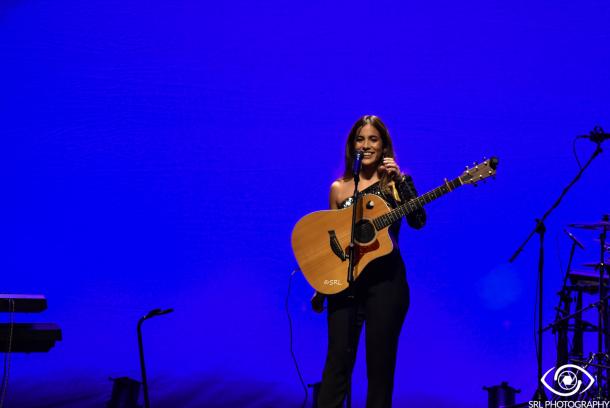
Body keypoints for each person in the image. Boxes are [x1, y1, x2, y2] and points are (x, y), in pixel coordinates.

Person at [313, 115, 426, 408]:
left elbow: (419, 220)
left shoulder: (397, 184)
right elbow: (332, 241)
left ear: (384, 145)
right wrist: (322, 283)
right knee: (336, 364)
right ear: (352, 145)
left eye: (373, 139)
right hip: (346, 284)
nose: (366, 145)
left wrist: (400, 181)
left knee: (380, 367)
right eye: (360, 139)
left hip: (386, 284)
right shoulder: (339, 188)